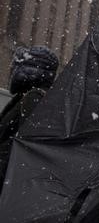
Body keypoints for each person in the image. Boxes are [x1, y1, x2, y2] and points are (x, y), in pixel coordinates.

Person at [0, 45, 59, 191]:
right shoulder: (27, 96)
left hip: (9, 183)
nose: (12, 69)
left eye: (18, 64)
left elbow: (25, 146)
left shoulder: (35, 98)